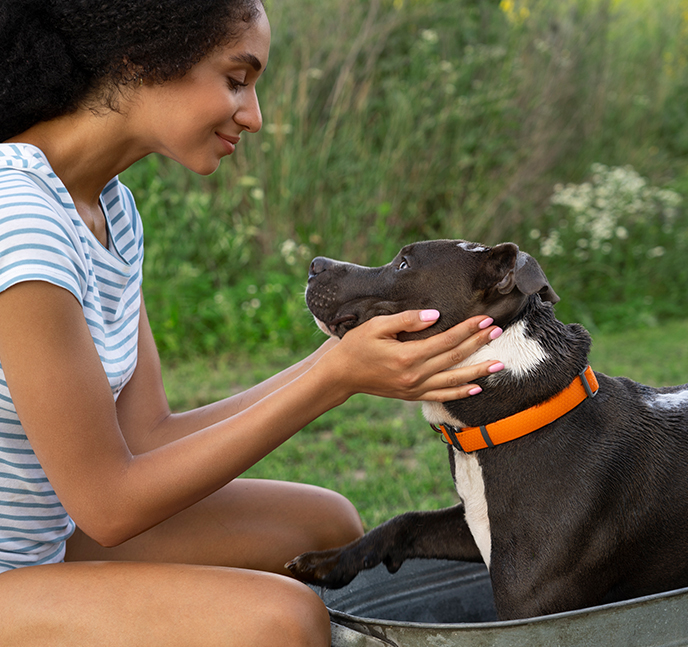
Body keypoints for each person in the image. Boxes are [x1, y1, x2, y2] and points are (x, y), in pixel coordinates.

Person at [0, 1, 504, 645]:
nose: (254, 115)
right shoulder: (20, 217)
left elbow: (147, 438)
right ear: (143, 58)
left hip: (45, 541)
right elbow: (110, 502)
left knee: (322, 524)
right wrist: (334, 380)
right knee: (280, 623)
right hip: (23, 560)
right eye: (236, 79)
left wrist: (338, 362)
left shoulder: (109, 209)